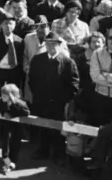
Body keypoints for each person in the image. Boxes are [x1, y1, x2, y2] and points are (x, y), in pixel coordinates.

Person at [27, 31, 79, 163]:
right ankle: (42, 151)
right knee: (43, 127)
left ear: (60, 45)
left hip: (58, 103)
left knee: (58, 129)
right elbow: (32, 80)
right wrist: (38, 95)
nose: (51, 47)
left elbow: (74, 84)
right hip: (42, 101)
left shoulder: (67, 62)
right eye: (48, 44)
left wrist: (64, 99)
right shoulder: (37, 60)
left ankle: (58, 154)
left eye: (54, 44)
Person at [0, 82, 30, 174]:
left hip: (17, 127)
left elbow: (26, 112)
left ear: (11, 96)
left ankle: (13, 161)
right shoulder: (1, 101)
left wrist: (12, 114)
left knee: (15, 143)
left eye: (4, 96)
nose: (2, 97)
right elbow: (0, 108)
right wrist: (4, 113)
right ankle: (6, 158)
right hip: (6, 126)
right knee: (5, 142)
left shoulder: (20, 104)